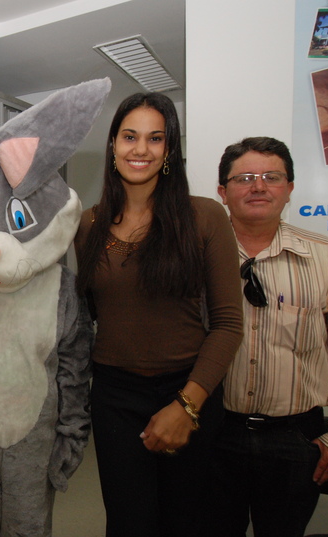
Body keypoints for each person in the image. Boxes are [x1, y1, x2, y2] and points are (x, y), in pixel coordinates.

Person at [74, 92, 243, 536]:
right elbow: (87, 314)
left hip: (189, 389)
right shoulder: (88, 224)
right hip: (114, 397)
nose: (141, 149)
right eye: (130, 136)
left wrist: (187, 405)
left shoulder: (204, 216)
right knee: (127, 524)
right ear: (113, 144)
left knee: (184, 523)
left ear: (169, 149)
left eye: (155, 138)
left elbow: (228, 325)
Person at [208, 137, 328, 537]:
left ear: (289, 188)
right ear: (222, 192)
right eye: (244, 178)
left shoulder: (327, 259)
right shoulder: (196, 257)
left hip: (296, 440)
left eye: (271, 177)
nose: (258, 186)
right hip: (213, 434)